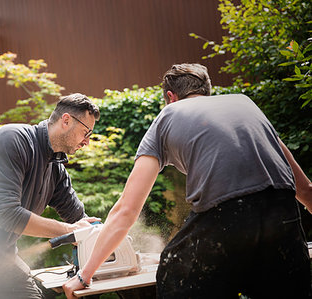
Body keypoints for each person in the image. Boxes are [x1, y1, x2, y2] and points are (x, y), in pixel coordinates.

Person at [63, 64, 312, 299]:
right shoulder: (245, 104)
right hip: (284, 216)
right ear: (207, 92)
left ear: (170, 97)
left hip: (227, 215)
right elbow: (305, 188)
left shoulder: (168, 114)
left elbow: (127, 210)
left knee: (175, 271)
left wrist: (84, 277)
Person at [0, 93, 101, 299]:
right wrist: (70, 230)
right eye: (86, 132)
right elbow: (6, 214)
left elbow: (80, 221)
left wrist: (100, 237)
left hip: (0, 257)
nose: (87, 142)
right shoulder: (13, 139)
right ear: (66, 120)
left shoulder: (55, 168)